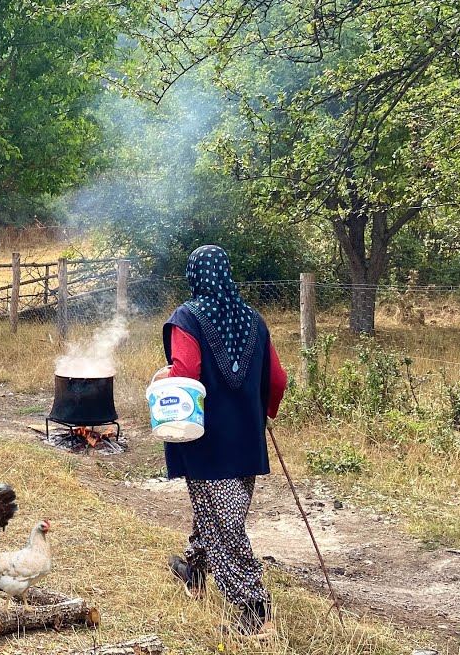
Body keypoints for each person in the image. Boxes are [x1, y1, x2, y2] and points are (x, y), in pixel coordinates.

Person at [159, 245, 288, 640]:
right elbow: (278, 380)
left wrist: (161, 380)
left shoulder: (188, 318)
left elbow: (185, 373)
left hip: (205, 440)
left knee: (225, 522)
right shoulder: (255, 320)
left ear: (194, 276)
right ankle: (194, 571)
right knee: (216, 512)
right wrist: (263, 412)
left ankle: (254, 609)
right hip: (246, 439)